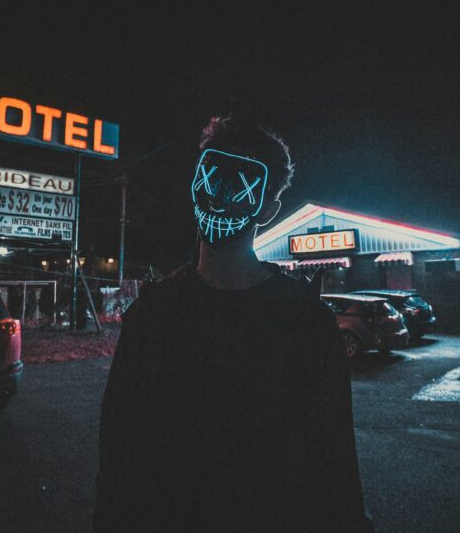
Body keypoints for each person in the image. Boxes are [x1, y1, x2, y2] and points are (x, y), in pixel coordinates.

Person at [93, 116, 374, 532]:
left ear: (268, 209)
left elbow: (332, 456)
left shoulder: (306, 323)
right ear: (194, 184)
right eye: (212, 176)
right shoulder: (152, 316)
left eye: (240, 184)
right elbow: (118, 450)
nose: (220, 197)